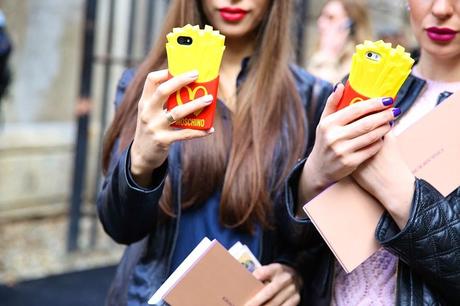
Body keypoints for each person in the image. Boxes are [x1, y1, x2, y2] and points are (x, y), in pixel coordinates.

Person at [97, 0, 332, 305]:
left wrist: (295, 272)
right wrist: (140, 163)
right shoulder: (149, 87)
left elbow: (315, 229)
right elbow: (120, 227)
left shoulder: (310, 97)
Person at [285, 0, 460, 305]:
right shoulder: (365, 83)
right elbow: (297, 244)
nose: (442, 8)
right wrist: (314, 175)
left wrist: (401, 193)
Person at [306, 0, 372, 84]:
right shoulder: (320, 55)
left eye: (331, 17)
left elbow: (324, 92)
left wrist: (328, 56)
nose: (321, 23)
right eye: (321, 16)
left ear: (350, 26)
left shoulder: (357, 67)